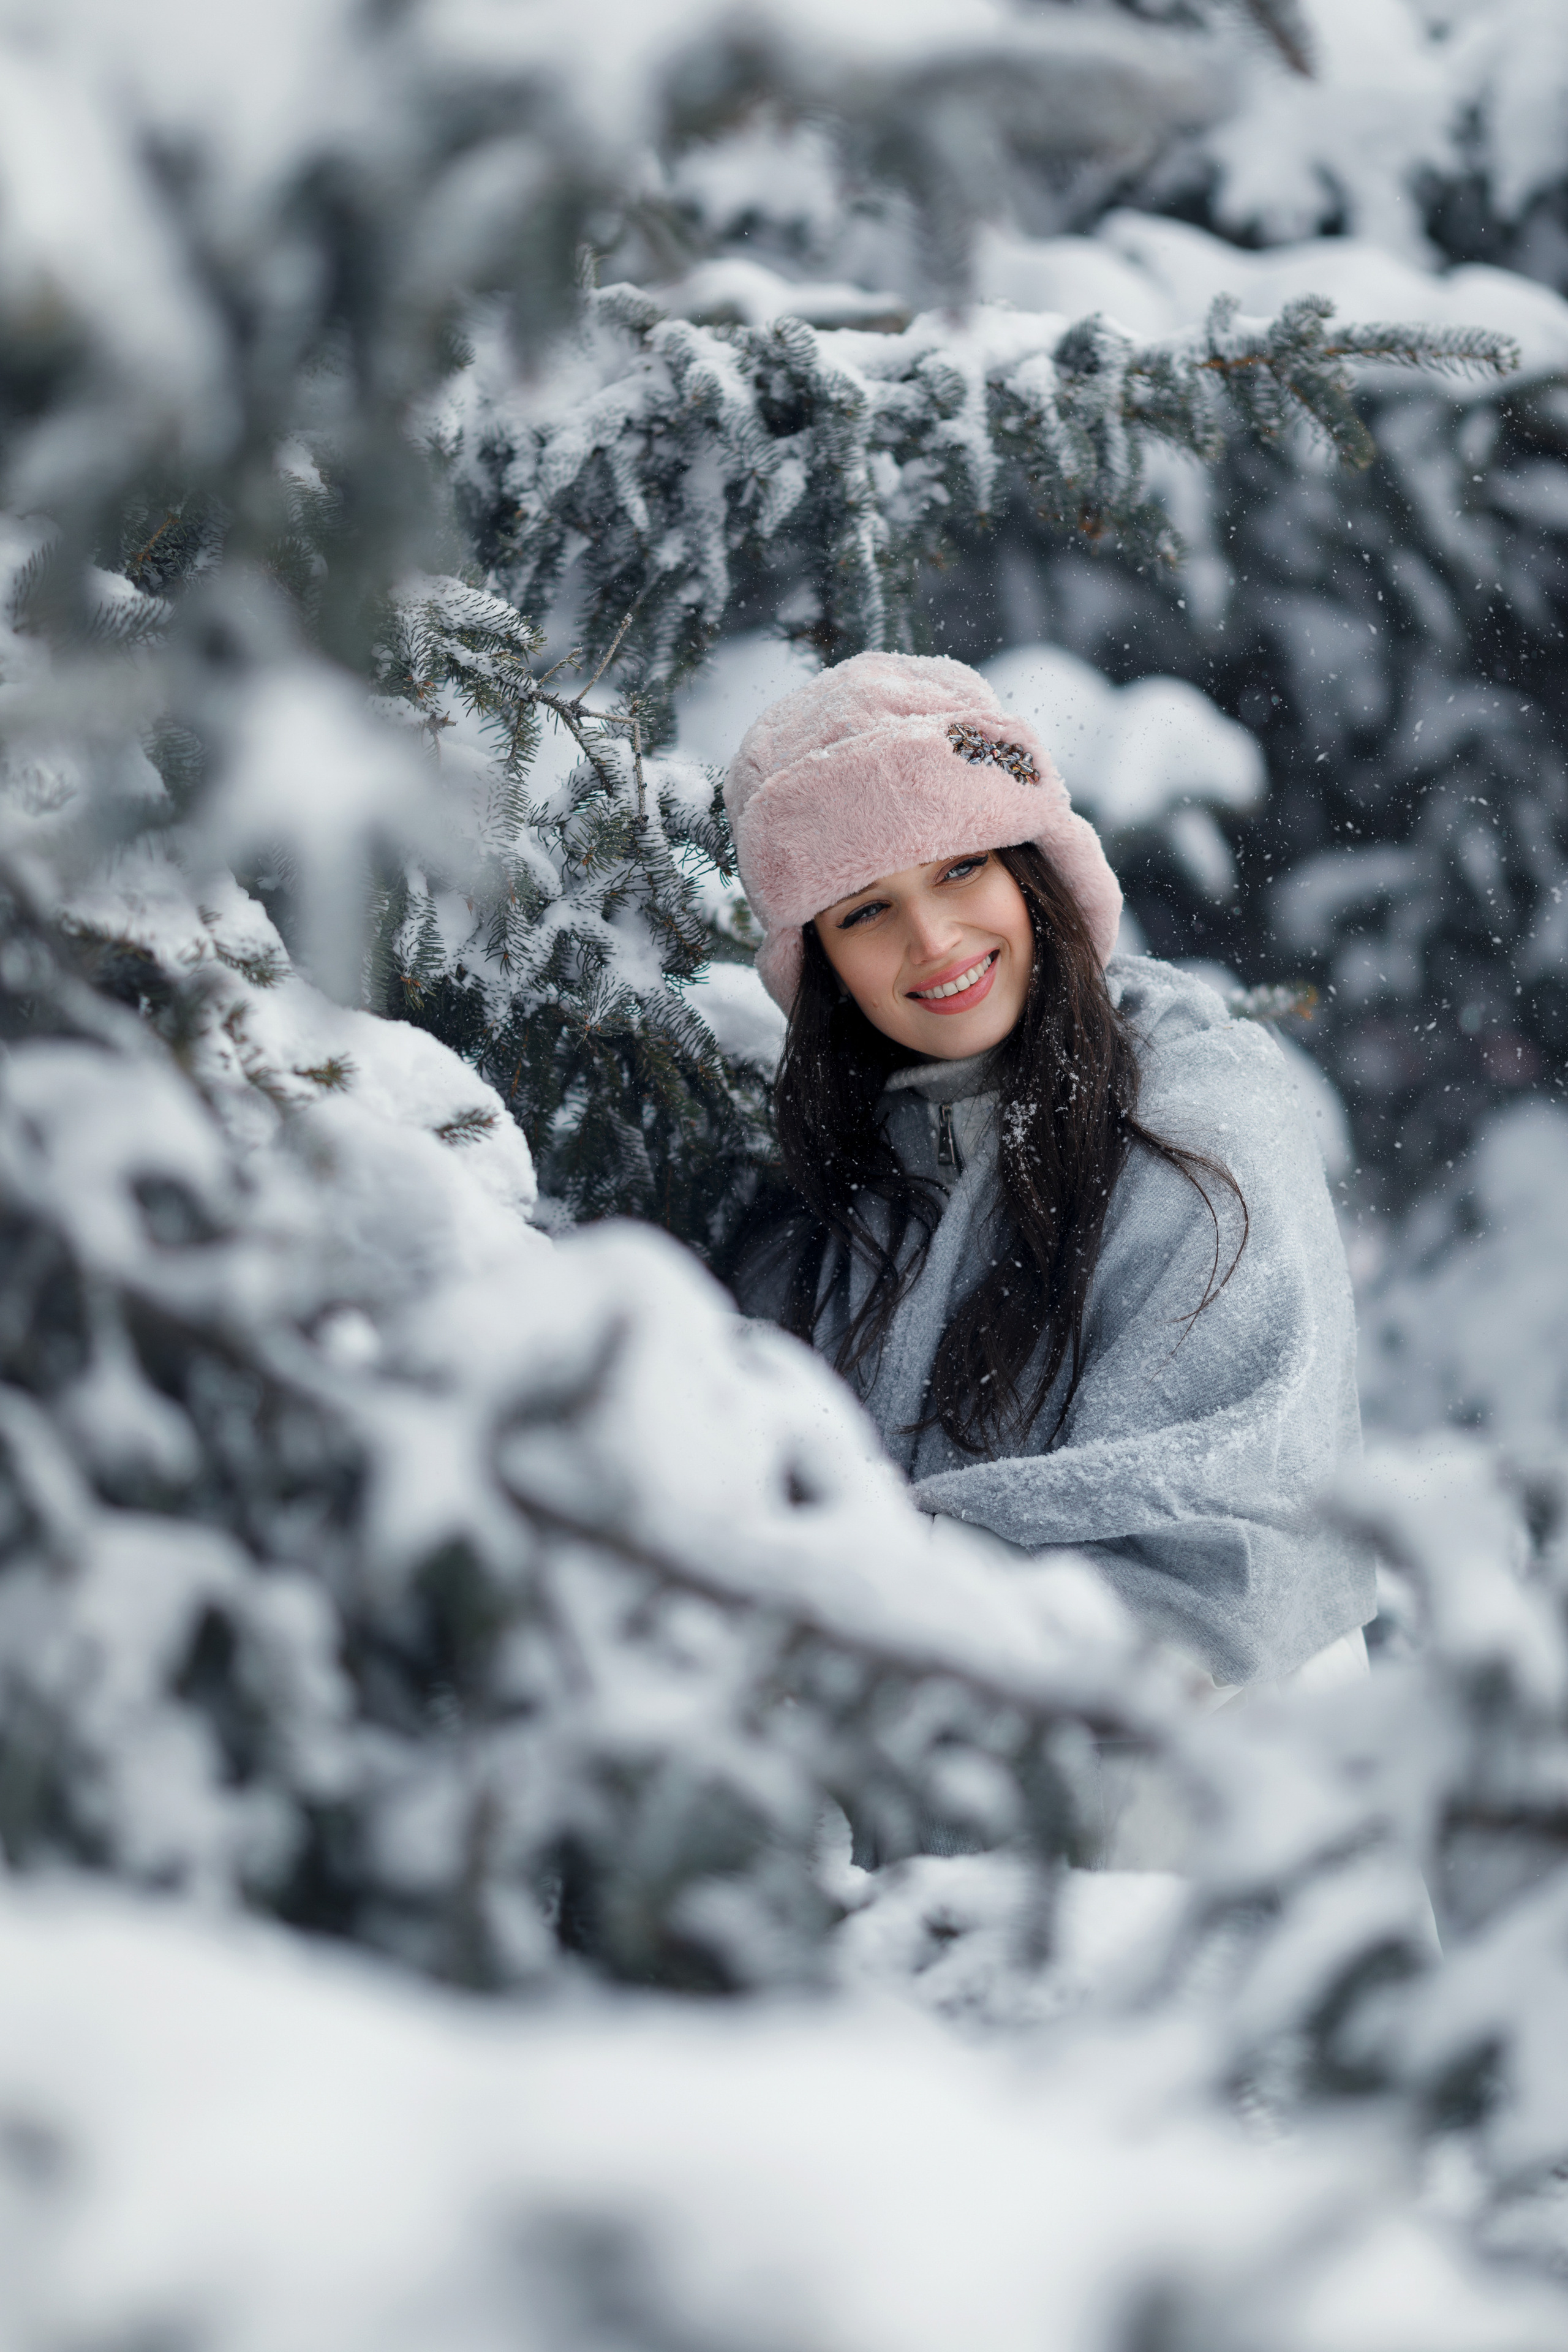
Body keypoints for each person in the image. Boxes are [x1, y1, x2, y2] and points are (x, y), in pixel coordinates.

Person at [725, 649, 1374, 1727]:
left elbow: (1205, 1542)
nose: (934, 941)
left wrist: (861, 1579)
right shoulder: (832, 1209)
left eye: (958, 869)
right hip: (930, 1852)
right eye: (865, 912)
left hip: (1201, 1821)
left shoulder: (1198, 1129)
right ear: (822, 961)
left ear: (1036, 870)